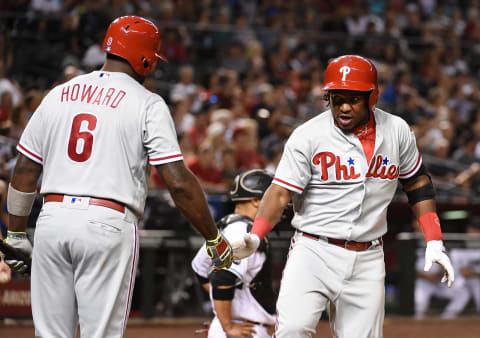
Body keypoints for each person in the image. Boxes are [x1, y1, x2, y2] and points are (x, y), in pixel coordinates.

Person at [4, 16, 233, 338]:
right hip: (106, 222)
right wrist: (213, 236)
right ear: (146, 58)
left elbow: (25, 170)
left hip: (51, 219)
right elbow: (179, 182)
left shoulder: (59, 93)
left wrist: (14, 234)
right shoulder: (147, 103)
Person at [231, 55, 455, 338]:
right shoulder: (308, 135)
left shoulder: (397, 131)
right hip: (314, 249)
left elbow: (417, 182)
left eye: (354, 99)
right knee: (293, 330)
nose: (344, 106)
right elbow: (279, 192)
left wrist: (434, 240)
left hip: (369, 255)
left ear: (371, 96)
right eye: (337, 99)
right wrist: (256, 234)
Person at [192, 169, 276, 338]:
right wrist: (227, 325)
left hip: (238, 326)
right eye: (272, 197)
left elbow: (200, 268)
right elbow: (222, 276)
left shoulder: (227, 226)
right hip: (243, 330)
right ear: (256, 201)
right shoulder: (243, 232)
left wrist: (222, 309)